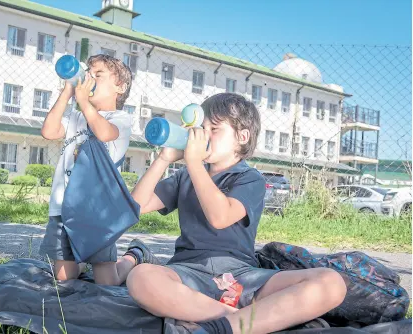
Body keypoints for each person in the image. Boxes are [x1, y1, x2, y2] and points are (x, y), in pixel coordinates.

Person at [126, 93, 347, 333]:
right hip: (188, 274)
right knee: (141, 277)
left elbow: (220, 217)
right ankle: (237, 320)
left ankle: (216, 325)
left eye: (214, 129)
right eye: (201, 128)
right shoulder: (185, 177)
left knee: (331, 282)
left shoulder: (250, 179)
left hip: (241, 277)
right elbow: (135, 207)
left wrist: (194, 163)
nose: (204, 135)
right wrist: (163, 159)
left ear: (242, 137)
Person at [39, 54, 159, 286]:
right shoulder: (76, 117)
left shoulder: (120, 118)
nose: (90, 79)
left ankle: (133, 257)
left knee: (107, 282)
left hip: (97, 212)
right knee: (64, 278)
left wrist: (83, 102)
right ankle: (79, 258)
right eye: (88, 74)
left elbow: (104, 133)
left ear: (120, 87)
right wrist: (67, 92)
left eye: (98, 75)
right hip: (65, 206)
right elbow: (49, 131)